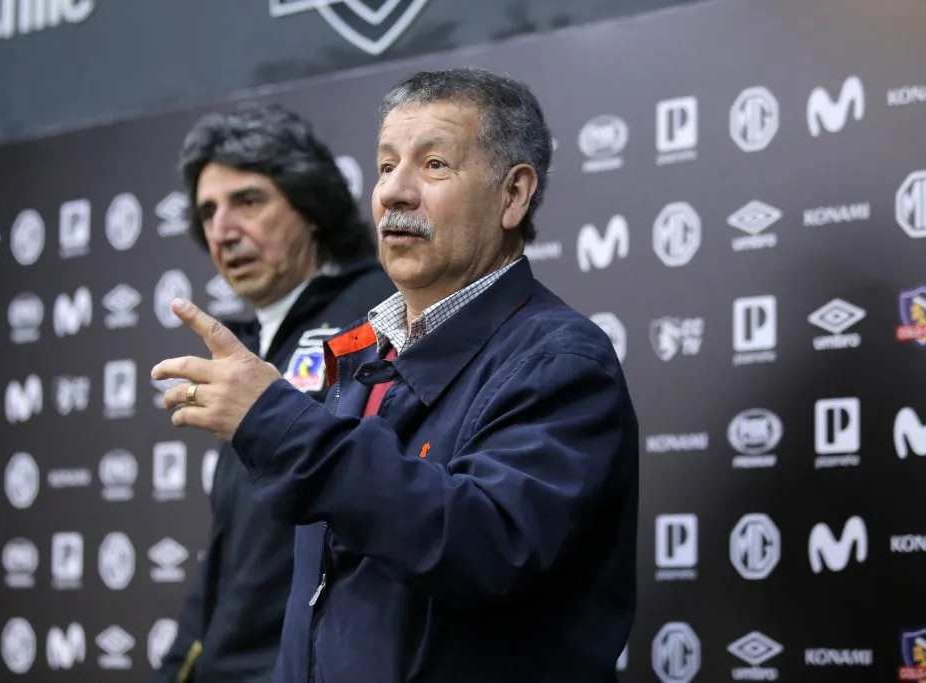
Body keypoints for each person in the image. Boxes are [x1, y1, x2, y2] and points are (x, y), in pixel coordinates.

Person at [153, 68, 639, 682]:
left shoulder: (561, 362)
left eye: (433, 165)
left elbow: (486, 546)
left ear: (513, 195)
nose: (393, 193)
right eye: (386, 167)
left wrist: (278, 422)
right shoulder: (362, 353)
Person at [154, 102, 396, 683]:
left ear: (310, 207)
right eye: (209, 211)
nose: (223, 230)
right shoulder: (246, 343)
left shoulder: (385, 310)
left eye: (248, 201)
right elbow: (234, 550)